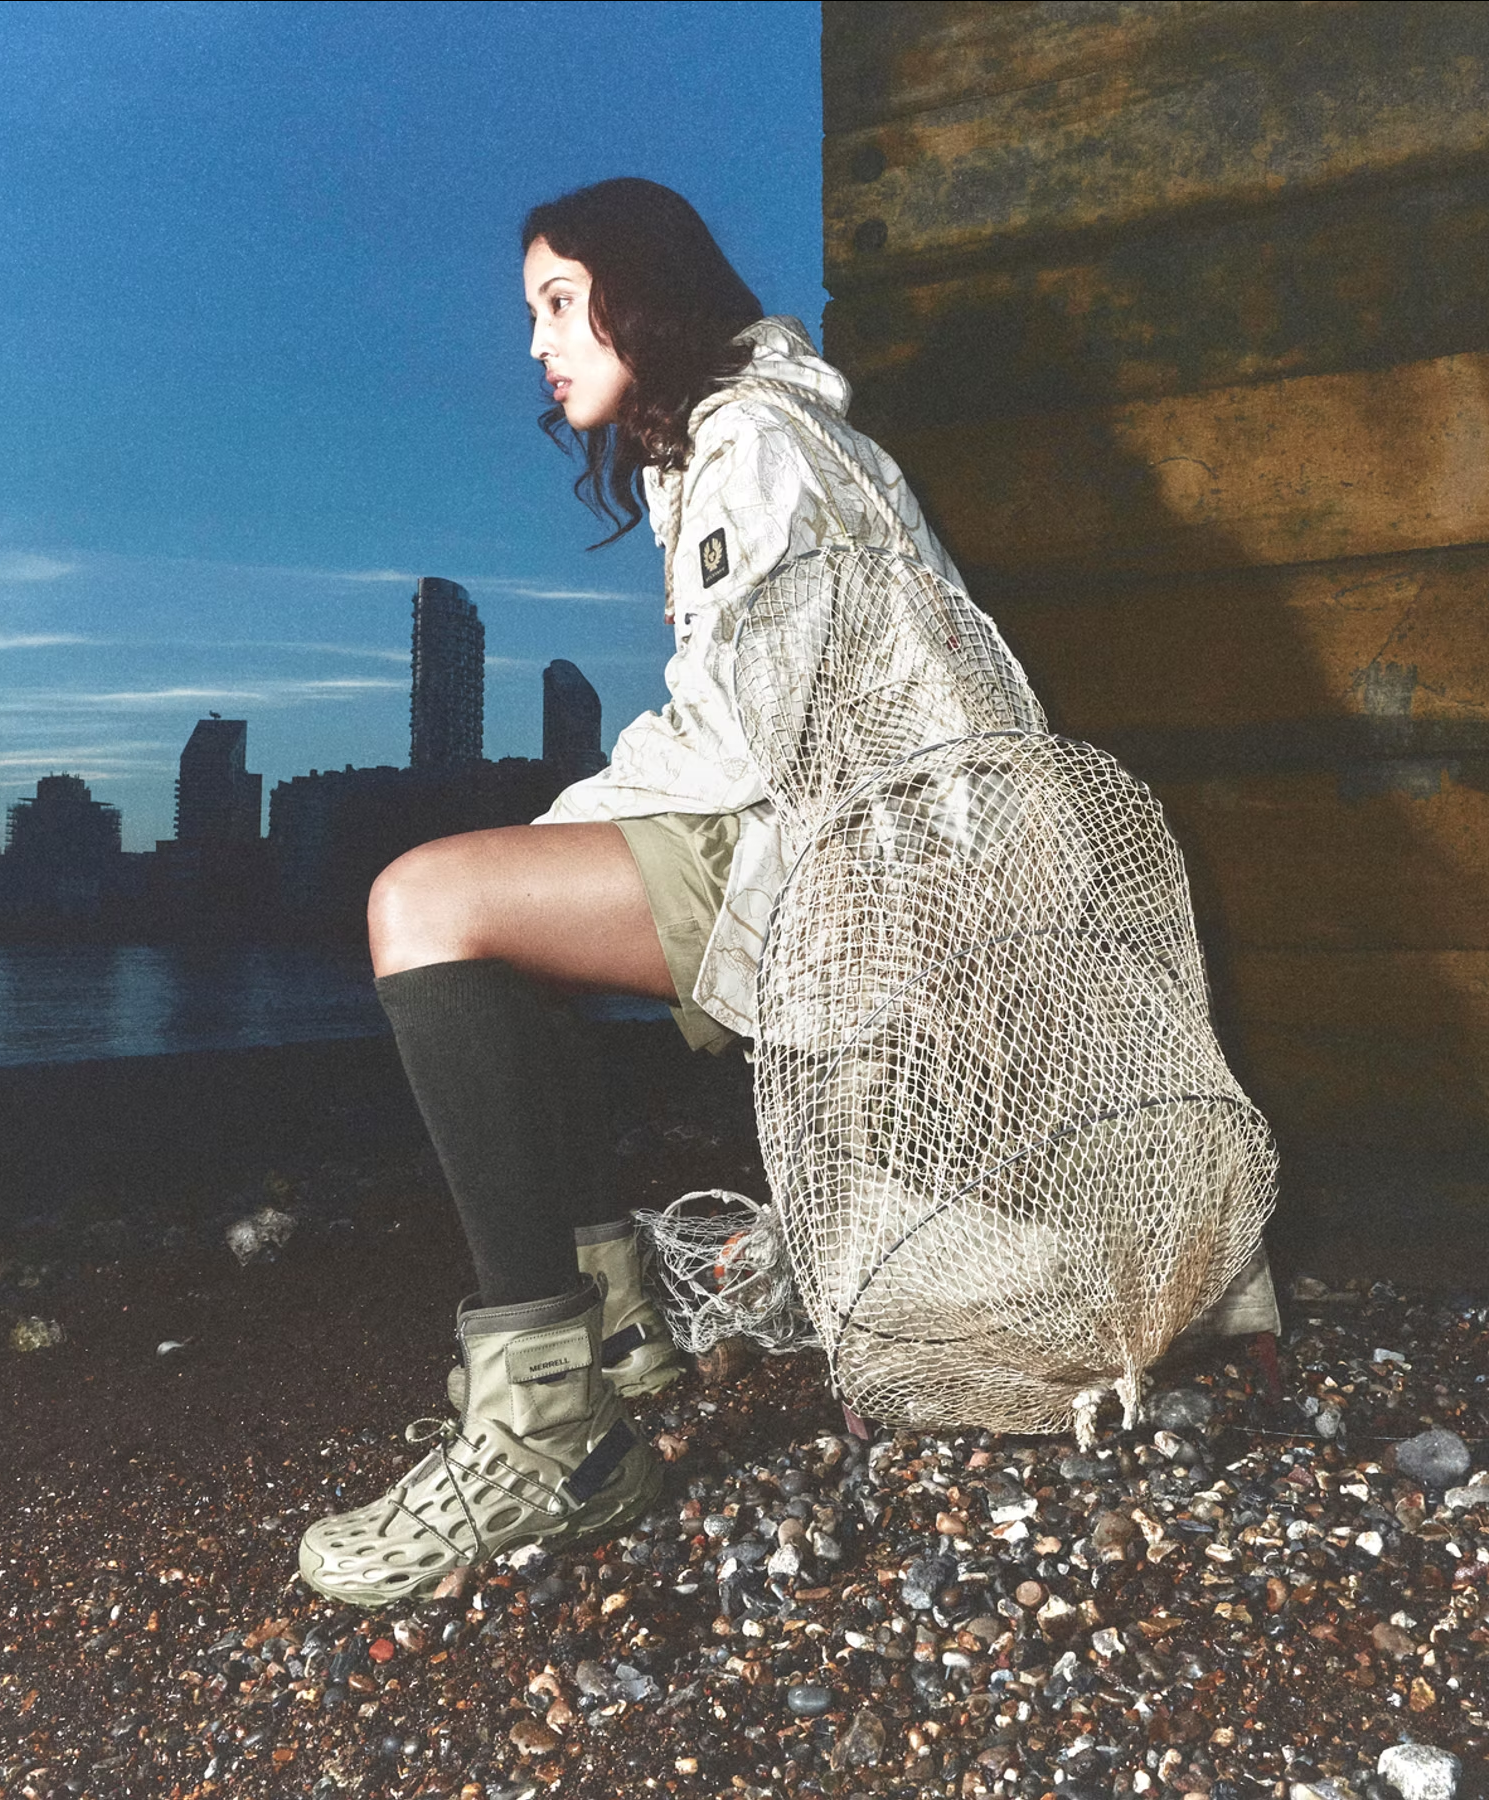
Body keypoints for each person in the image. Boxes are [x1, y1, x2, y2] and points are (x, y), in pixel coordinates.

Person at [296, 178, 969, 1607]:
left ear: (642, 295)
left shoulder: (758, 445)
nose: (537, 345)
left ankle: (550, 1429)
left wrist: (552, 834)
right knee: (493, 905)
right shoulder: (728, 444)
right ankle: (610, 1324)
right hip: (828, 839)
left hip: (852, 871)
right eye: (531, 313)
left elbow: (743, 740)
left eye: (559, 302)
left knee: (423, 902)